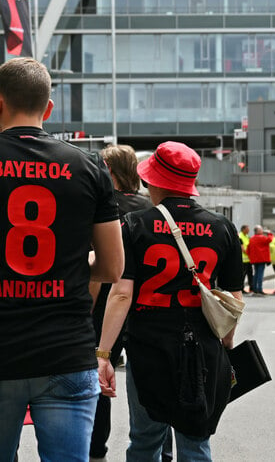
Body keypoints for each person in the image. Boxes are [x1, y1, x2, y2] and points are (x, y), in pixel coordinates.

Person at [0, 57, 124, 461]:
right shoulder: (89, 167)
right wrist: (70, 275)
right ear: (48, 107)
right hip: (67, 348)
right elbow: (112, 267)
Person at [97, 141, 243, 462]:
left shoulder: (134, 225)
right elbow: (234, 298)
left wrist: (104, 353)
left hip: (148, 349)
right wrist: (227, 342)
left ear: (155, 181)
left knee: (146, 441)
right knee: (195, 441)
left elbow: (122, 294)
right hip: (203, 350)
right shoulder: (223, 228)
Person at [94, 144, 173, 462]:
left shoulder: (100, 206)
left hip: (106, 307)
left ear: (109, 171)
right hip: (151, 309)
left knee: (97, 379)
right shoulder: (154, 207)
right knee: (156, 386)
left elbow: (96, 269)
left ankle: (94, 450)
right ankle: (162, 451)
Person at [247, 225, 272, 295]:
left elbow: (248, 250)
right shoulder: (262, 238)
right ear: (258, 231)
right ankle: (259, 289)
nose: (262, 231)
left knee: (255, 274)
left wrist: (250, 257)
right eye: (261, 229)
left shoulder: (251, 239)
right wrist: (269, 233)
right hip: (262, 259)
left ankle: (255, 288)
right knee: (260, 274)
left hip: (254, 259)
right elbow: (270, 239)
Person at [238, 224, 252, 294]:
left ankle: (251, 287)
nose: (249, 230)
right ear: (243, 229)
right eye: (247, 229)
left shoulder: (247, 236)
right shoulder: (240, 236)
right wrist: (250, 254)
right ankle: (241, 288)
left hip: (248, 259)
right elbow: (242, 248)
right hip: (243, 259)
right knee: (243, 275)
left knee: (250, 274)